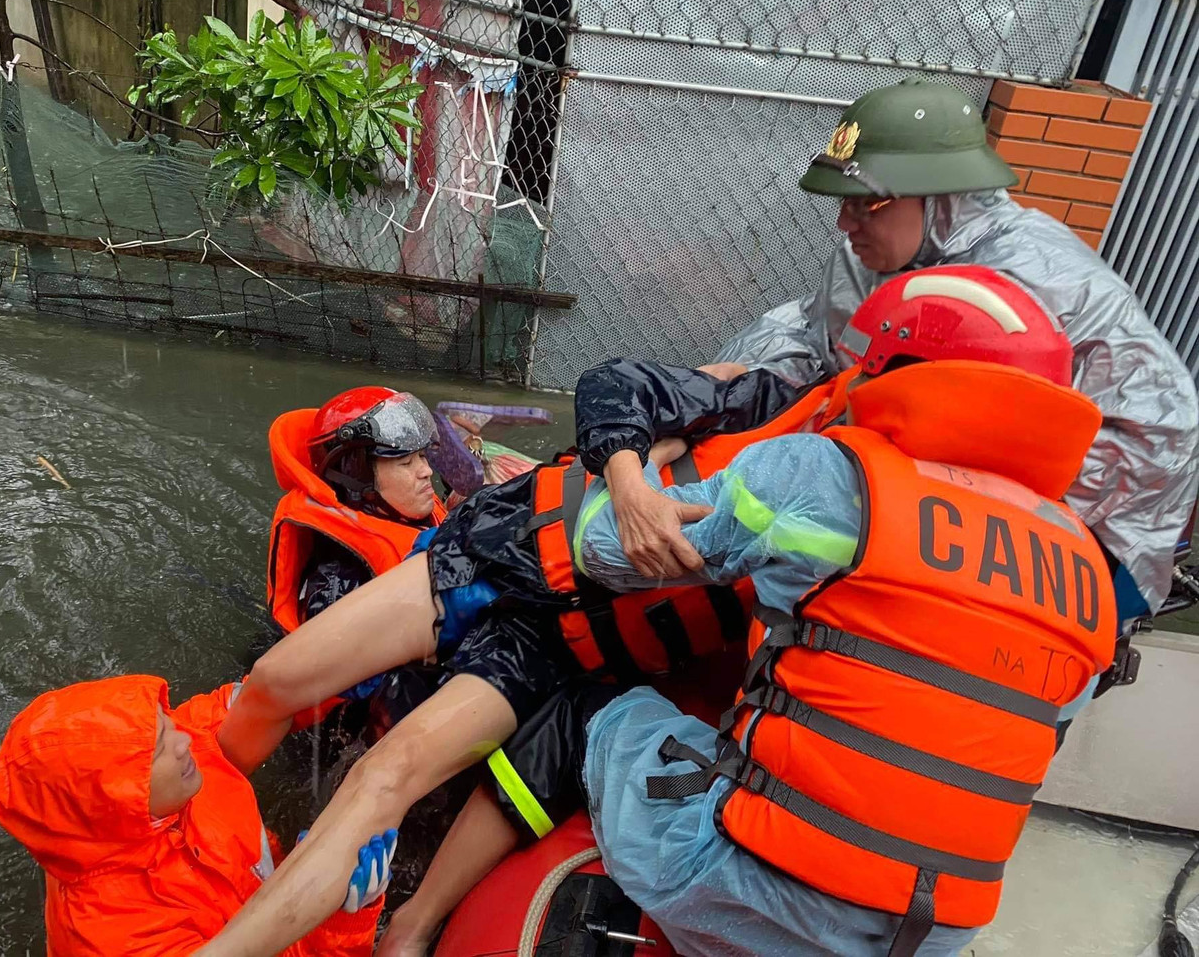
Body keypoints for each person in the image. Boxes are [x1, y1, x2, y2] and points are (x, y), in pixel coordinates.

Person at [193, 267, 1114, 957]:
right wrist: (634, 470)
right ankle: (196, 813)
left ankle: (387, 930)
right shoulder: (777, 409)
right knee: (276, 679)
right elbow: (612, 387)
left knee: (385, 779)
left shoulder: (858, 513)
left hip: (559, 644)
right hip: (502, 550)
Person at [699, 75, 1198, 634]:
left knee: (979, 658)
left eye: (868, 204)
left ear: (938, 196)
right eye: (847, 203)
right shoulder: (879, 253)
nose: (846, 223)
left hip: (1098, 517)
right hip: (967, 500)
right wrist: (724, 388)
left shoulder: (1019, 288)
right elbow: (822, 338)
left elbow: (962, 451)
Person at [0, 674, 397, 956]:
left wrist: (329, 681)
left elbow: (239, 705)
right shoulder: (120, 939)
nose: (184, 740)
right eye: (159, 748)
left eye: (164, 724)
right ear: (116, 802)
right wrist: (340, 923)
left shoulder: (156, 779)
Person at [265, 386, 446, 724]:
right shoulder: (337, 581)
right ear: (357, 477)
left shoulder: (403, 508)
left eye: (422, 457)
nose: (426, 472)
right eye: (406, 462)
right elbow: (334, 677)